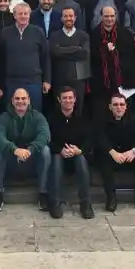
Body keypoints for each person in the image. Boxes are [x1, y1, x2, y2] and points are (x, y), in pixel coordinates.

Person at [0, 87, 52, 212]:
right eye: (17, 98)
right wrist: (15, 150)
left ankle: (43, 193)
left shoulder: (38, 116)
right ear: (12, 101)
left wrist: (30, 150)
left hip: (32, 161)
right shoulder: (4, 117)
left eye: (23, 98)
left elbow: (45, 135)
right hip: (11, 162)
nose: (20, 101)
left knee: (46, 151)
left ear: (29, 100)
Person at [46, 86, 94, 219]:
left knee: (82, 159)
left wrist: (80, 150)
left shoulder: (83, 118)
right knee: (56, 159)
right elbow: (47, 140)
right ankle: (55, 202)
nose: (68, 101)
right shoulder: (51, 118)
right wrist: (60, 150)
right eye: (64, 98)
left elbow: (89, 139)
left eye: (70, 98)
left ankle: (85, 203)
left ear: (75, 99)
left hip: (77, 155)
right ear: (59, 100)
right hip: (59, 155)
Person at [96, 92, 135, 211]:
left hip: (129, 156)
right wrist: (112, 152)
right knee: (103, 157)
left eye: (121, 104)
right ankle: (111, 197)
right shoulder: (102, 120)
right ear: (110, 107)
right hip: (112, 156)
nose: (118, 107)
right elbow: (100, 138)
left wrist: (133, 151)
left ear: (126, 106)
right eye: (115, 105)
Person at [0, 4, 51, 111]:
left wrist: (47, 80)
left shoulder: (38, 32)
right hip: (11, 81)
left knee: (34, 112)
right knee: (11, 112)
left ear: (29, 15)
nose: (23, 16)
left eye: (25, 14)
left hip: (33, 81)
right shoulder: (5, 33)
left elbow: (45, 57)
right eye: (20, 14)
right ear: (14, 15)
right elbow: (0, 60)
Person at [48, 7, 90, 115]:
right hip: (59, 78)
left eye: (71, 16)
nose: (68, 18)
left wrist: (63, 50)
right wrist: (76, 48)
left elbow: (84, 54)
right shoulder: (54, 35)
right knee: (58, 110)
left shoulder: (83, 35)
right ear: (61, 18)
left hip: (78, 78)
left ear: (75, 18)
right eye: (65, 16)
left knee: (78, 109)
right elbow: (54, 52)